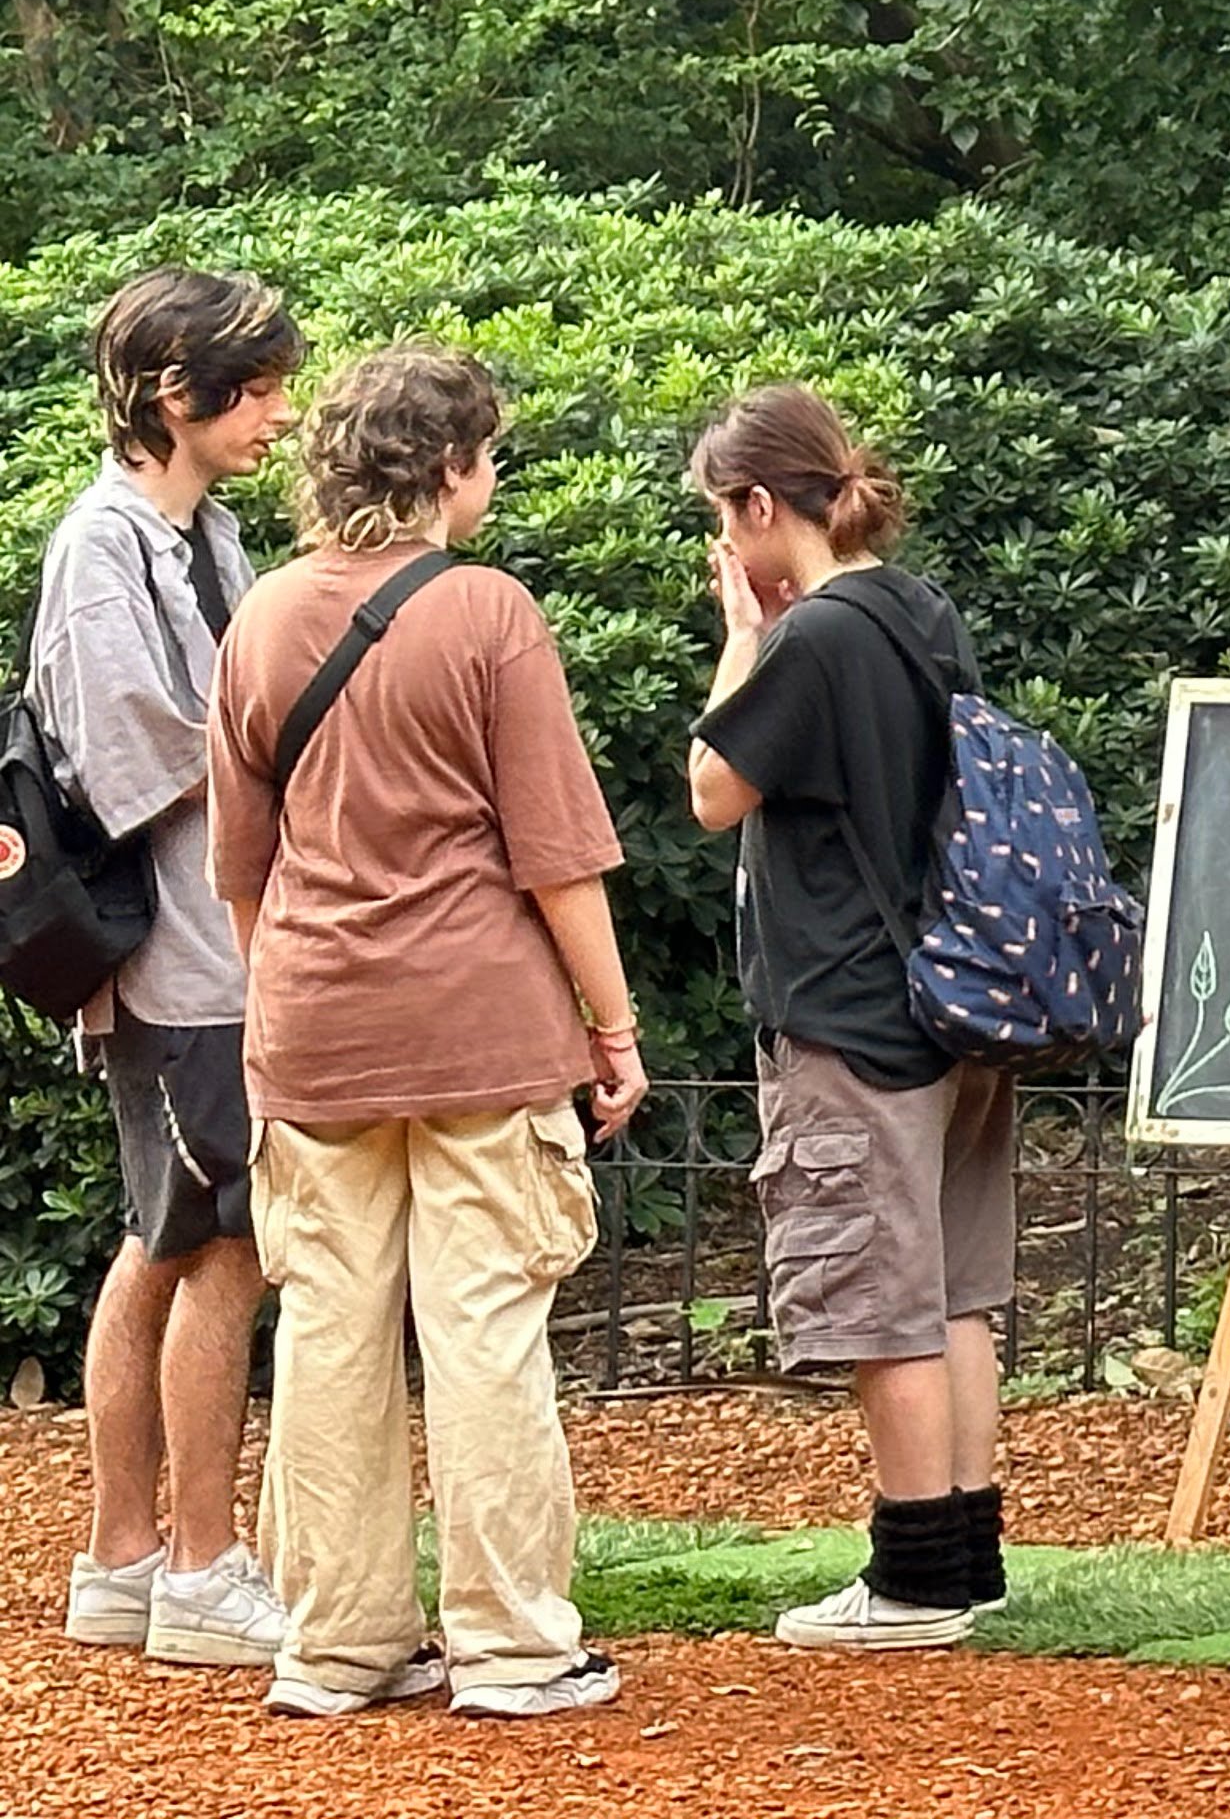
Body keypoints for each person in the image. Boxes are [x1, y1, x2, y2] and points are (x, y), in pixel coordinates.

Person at [209, 342, 644, 1721]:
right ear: (449, 466)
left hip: (313, 1024)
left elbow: (240, 867)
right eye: (488, 453)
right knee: (485, 1330)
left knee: (329, 1336)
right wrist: (615, 1026)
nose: (492, 475)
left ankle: (336, 1647)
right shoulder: (489, 611)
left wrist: (288, 1001)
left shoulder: (262, 615)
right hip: (480, 1027)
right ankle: (513, 1648)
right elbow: (558, 857)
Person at [685, 383, 1013, 1652]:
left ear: (763, 504)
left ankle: (914, 1577)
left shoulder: (813, 637)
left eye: (726, 516)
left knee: (882, 1301)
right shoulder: (917, 609)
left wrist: (741, 635)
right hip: (958, 999)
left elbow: (713, 788)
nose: (725, 542)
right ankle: (969, 1556)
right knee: (954, 1292)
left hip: (855, 1012)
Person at [47, 270, 303, 1669]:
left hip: (218, 952)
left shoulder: (203, 533)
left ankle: (125, 1559)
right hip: (181, 961)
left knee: (169, 1239)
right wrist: (293, 744)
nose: (279, 414)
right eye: (254, 389)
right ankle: (196, 1568)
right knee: (221, 1249)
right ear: (171, 392)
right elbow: (127, 759)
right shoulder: (102, 546)